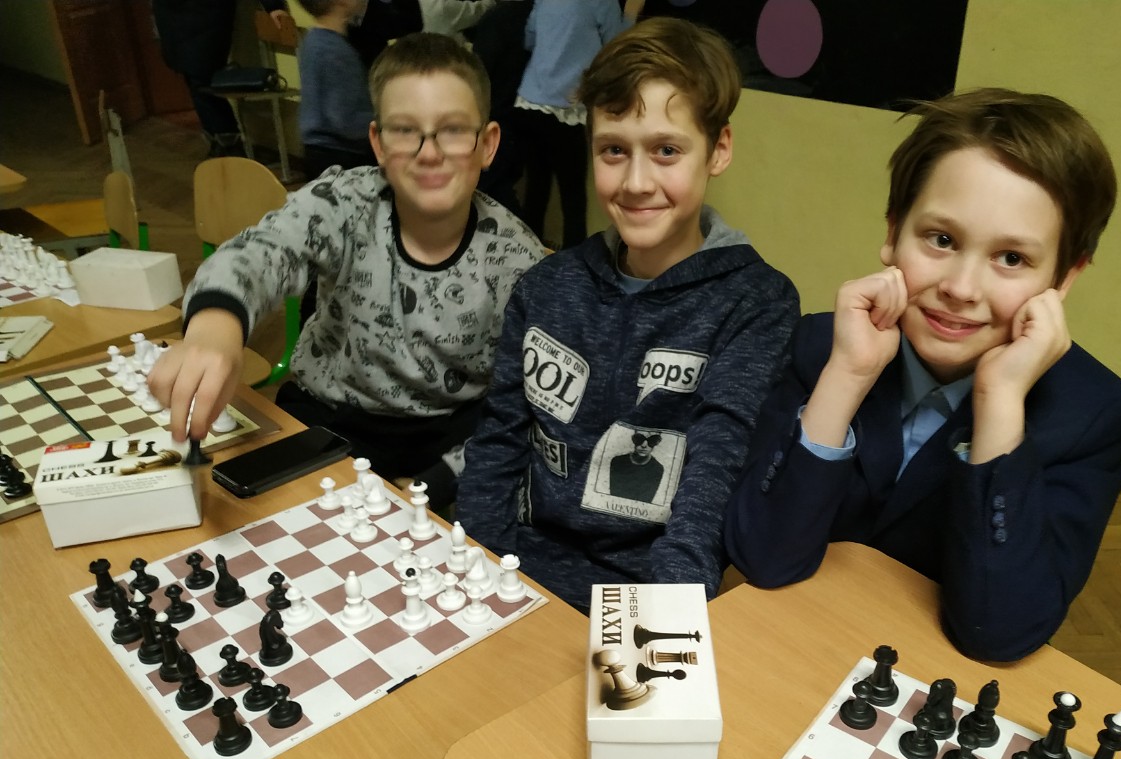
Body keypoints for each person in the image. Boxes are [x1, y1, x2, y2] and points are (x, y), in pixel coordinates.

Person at [725, 89, 1121, 662]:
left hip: (936, 673)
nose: (961, 289)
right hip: (797, 638)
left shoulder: (1092, 414)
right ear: (894, 231)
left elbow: (1000, 633)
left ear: (1064, 278)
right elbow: (763, 557)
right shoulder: (824, 345)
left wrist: (1000, 401)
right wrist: (848, 374)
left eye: (1012, 258)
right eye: (942, 240)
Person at [457, 17, 801, 611]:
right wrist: (473, 572)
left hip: (651, 591)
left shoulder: (756, 304)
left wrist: (663, 624)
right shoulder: (547, 286)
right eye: (614, 150)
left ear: (718, 149)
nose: (637, 182)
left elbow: (713, 478)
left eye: (666, 150)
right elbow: (498, 445)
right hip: (520, 572)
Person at [150, 32, 545, 504]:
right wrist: (215, 328)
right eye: (405, 130)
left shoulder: (520, 260)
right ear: (377, 143)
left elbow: (520, 408)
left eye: (454, 129)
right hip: (330, 418)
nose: (429, 152)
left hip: (451, 443)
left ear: (488, 144)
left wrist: (440, 479)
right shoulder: (342, 202)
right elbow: (263, 250)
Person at [512, 0, 646, 248]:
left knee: (536, 189)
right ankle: (576, 264)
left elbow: (529, 39)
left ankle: (528, 255)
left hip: (529, 100)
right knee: (572, 195)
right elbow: (617, 48)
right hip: (567, 106)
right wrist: (630, 14)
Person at [151, 0, 289, 156]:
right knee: (197, 82)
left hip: (204, 18)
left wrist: (274, 6)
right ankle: (222, 141)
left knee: (203, 80)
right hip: (175, 19)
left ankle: (228, 143)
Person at [297, 0, 378, 179]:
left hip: (318, 151)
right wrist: (384, 123)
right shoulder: (334, 50)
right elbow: (344, 119)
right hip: (340, 156)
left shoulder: (313, 40)